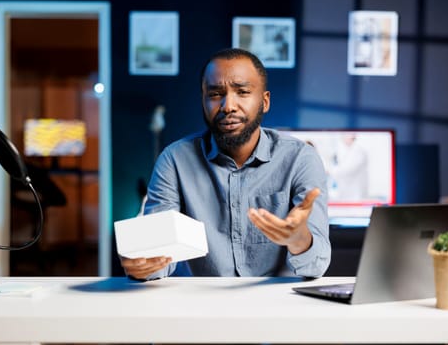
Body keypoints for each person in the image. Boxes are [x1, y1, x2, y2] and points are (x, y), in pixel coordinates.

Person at [120, 48, 331, 280]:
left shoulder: (300, 159)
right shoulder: (174, 160)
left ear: (265, 101)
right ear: (203, 100)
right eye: (215, 94)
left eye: (242, 92)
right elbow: (159, 256)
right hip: (195, 307)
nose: (228, 105)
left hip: (275, 307)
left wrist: (298, 238)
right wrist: (144, 264)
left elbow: (316, 267)